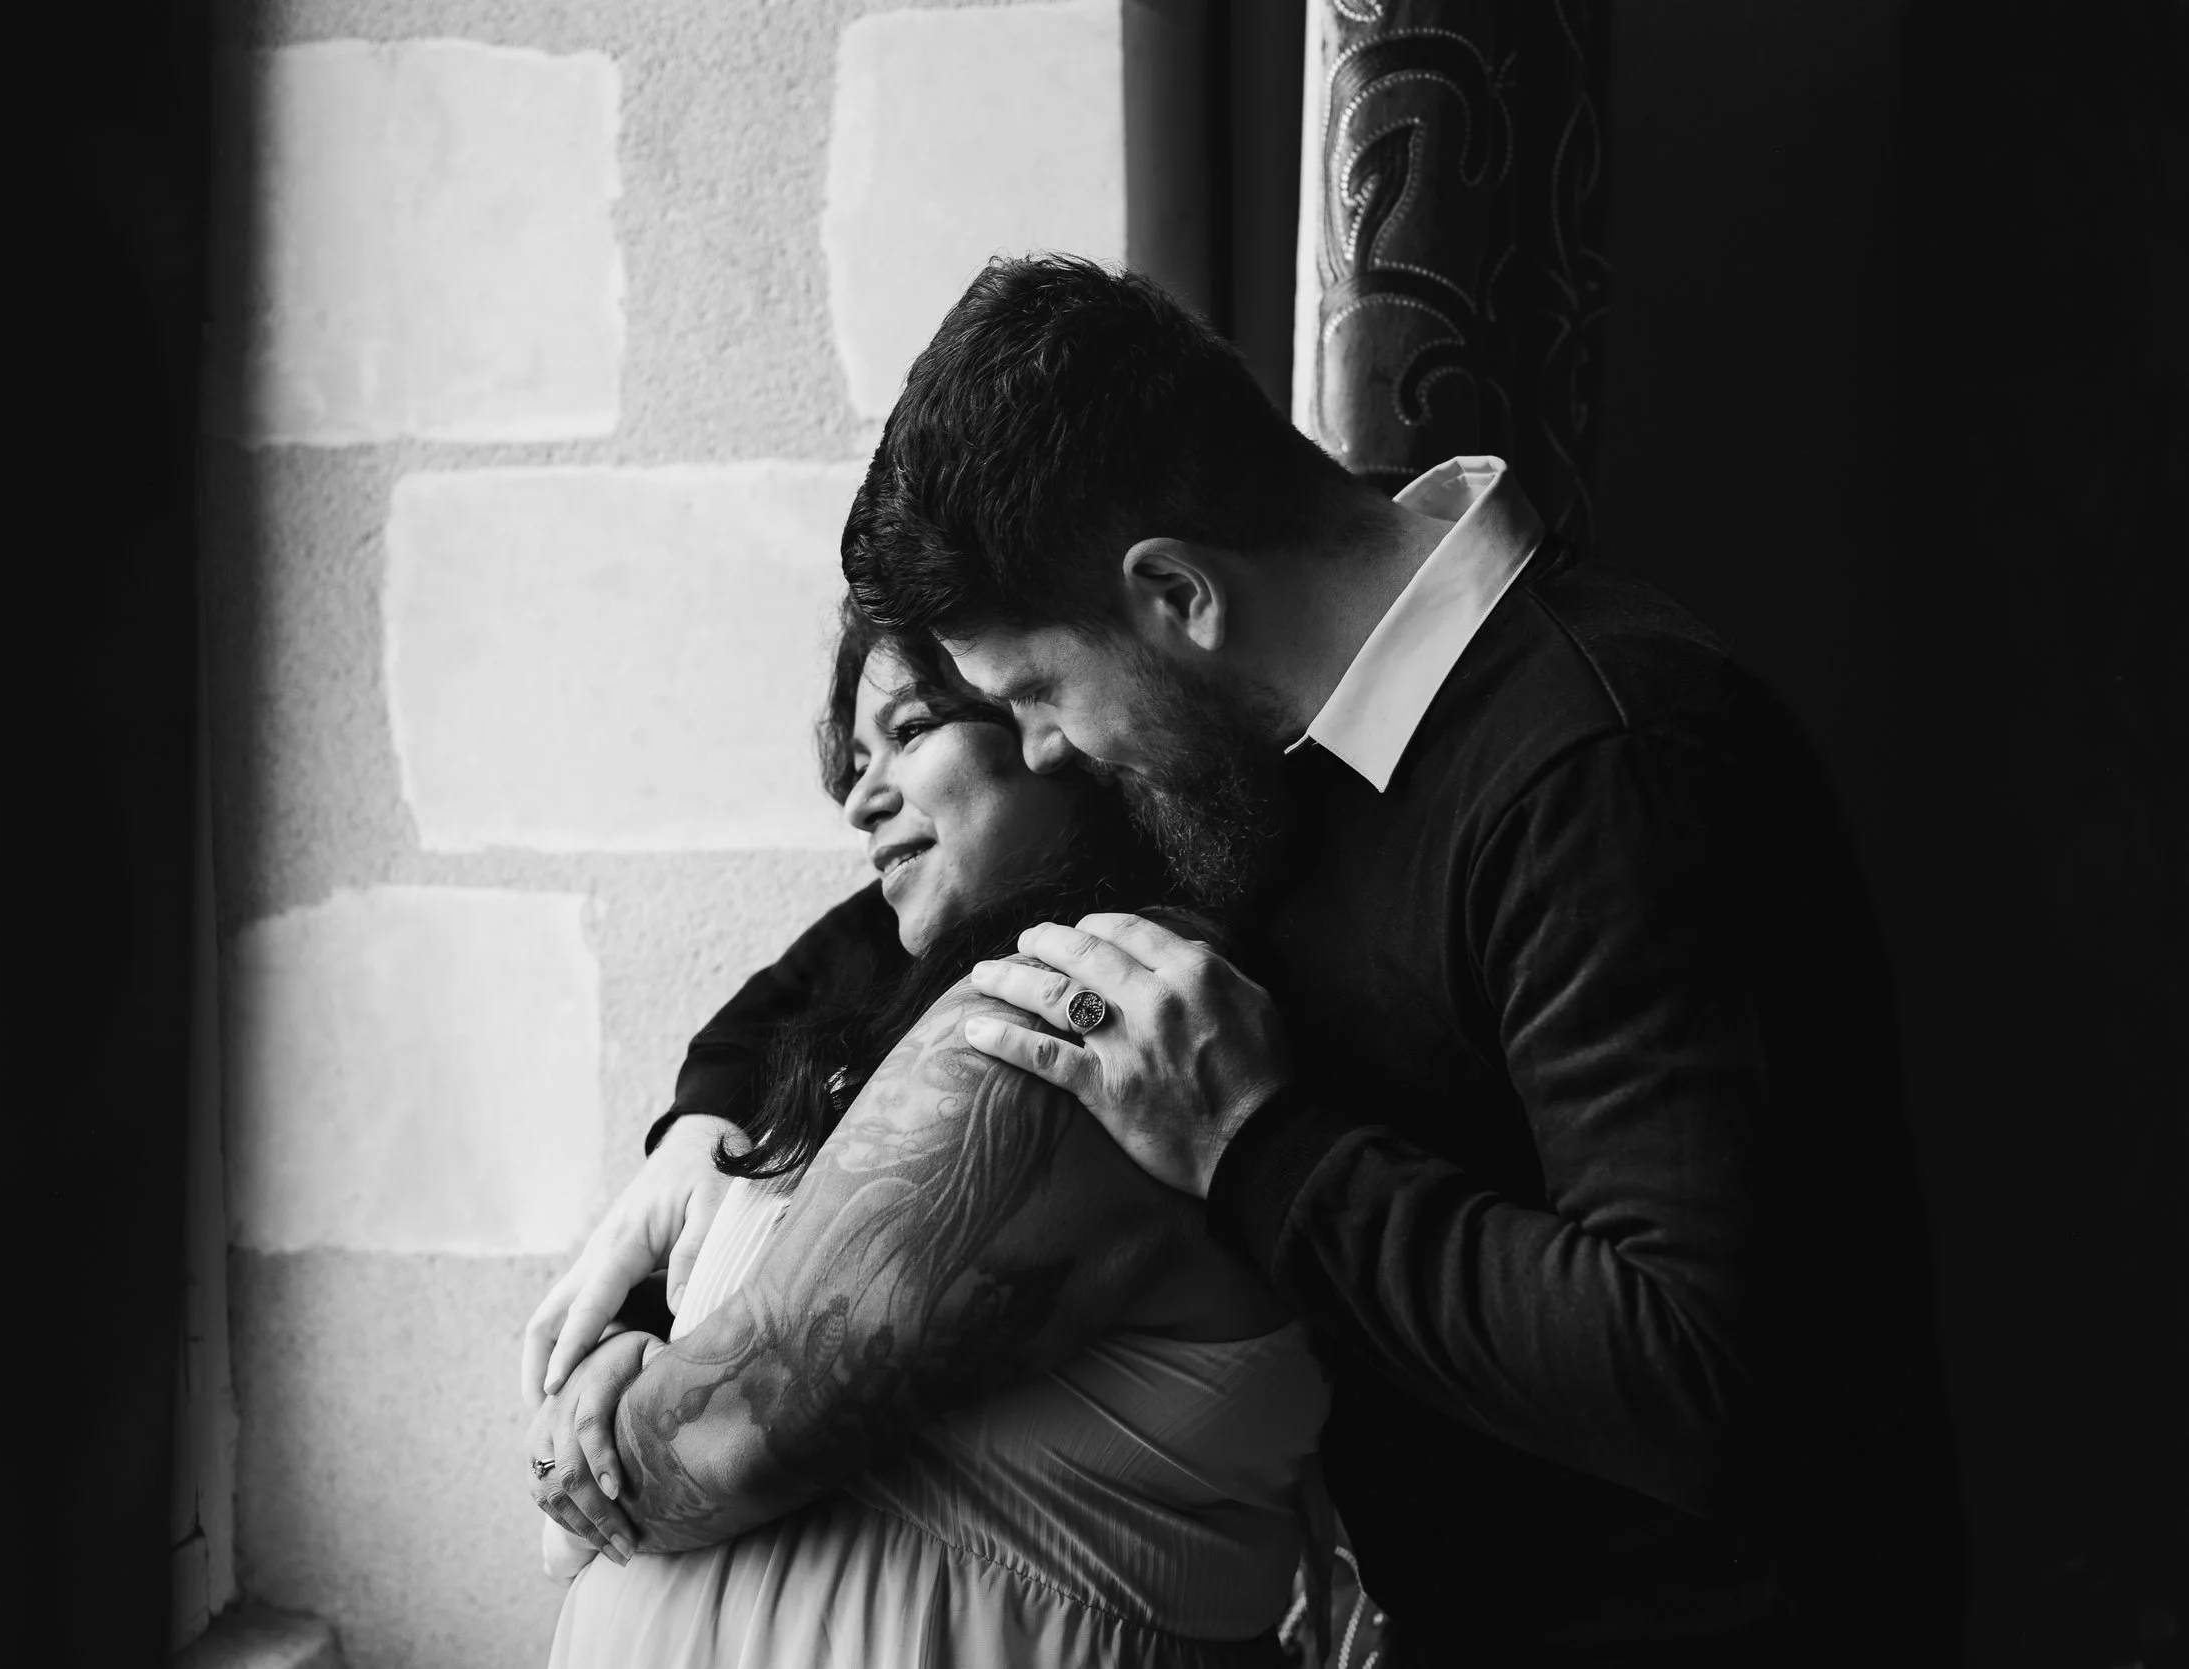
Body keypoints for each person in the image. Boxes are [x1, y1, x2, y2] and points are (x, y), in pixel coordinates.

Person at [535, 253, 1964, 1665]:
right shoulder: (1272, 774)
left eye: (1034, 691)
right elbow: (895, 924)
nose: (1039, 748)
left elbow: (1698, 1371)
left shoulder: (1602, 764)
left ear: (1175, 593)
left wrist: (1257, 1145)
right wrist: (703, 1128)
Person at [525, 610, 1331, 1668]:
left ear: (1053, 722)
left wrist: (590, 1437)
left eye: (909, 732)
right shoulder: (916, 1002)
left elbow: (722, 1442)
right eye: (853, 762)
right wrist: (647, 1317)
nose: (860, 799)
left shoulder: (1076, 1017)